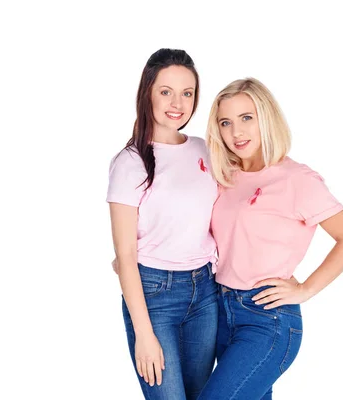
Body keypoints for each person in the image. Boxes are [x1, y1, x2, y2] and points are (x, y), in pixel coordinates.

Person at [197, 77, 343, 400]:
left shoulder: (296, 179)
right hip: (219, 310)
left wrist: (305, 289)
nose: (237, 132)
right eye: (226, 122)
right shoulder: (224, 176)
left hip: (267, 318)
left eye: (247, 118)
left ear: (266, 117)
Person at [106, 48, 219, 400]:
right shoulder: (130, 162)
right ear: (148, 93)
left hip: (205, 291)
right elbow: (124, 254)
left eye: (187, 93)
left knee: (202, 394)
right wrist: (143, 332)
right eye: (166, 91)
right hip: (155, 296)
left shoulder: (205, 149)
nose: (178, 102)